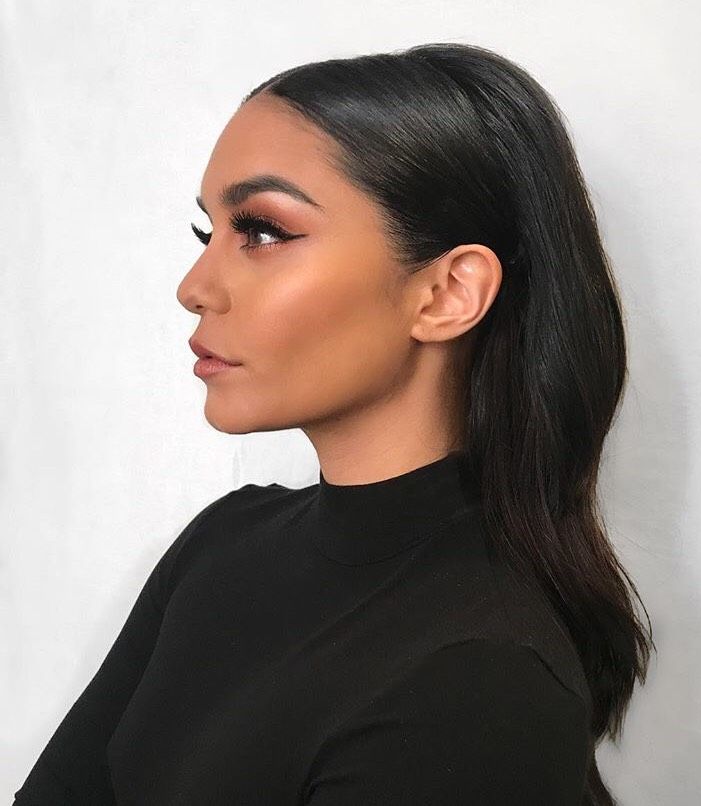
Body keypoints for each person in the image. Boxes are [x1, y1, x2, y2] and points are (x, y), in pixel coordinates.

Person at [14, 42, 654, 805]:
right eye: (207, 233)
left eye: (262, 231)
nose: (195, 286)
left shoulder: (477, 678)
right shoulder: (220, 548)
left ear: (448, 293)